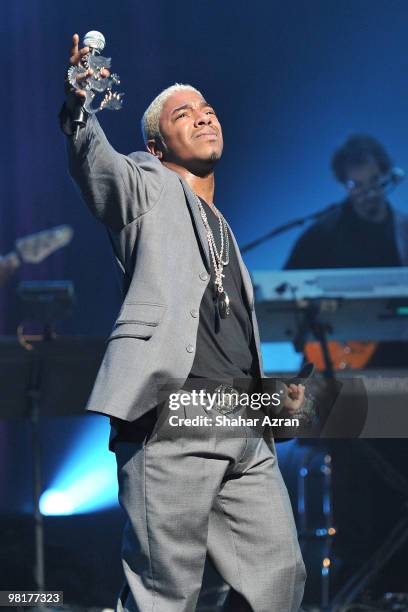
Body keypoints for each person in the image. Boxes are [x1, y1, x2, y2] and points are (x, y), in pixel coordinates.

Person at [61, 34, 306, 612]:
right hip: (171, 417)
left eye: (209, 111)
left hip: (245, 421)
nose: (203, 118)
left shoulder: (222, 225)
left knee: (279, 582)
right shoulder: (144, 185)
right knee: (166, 593)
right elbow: (91, 159)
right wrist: (80, 100)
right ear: (156, 142)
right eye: (184, 114)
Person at [285, 133, 408, 368]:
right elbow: (289, 297)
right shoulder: (322, 234)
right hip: (335, 360)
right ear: (343, 185)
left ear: (387, 175)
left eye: (375, 181)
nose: (368, 192)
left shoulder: (404, 231)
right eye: (356, 185)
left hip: (397, 357)